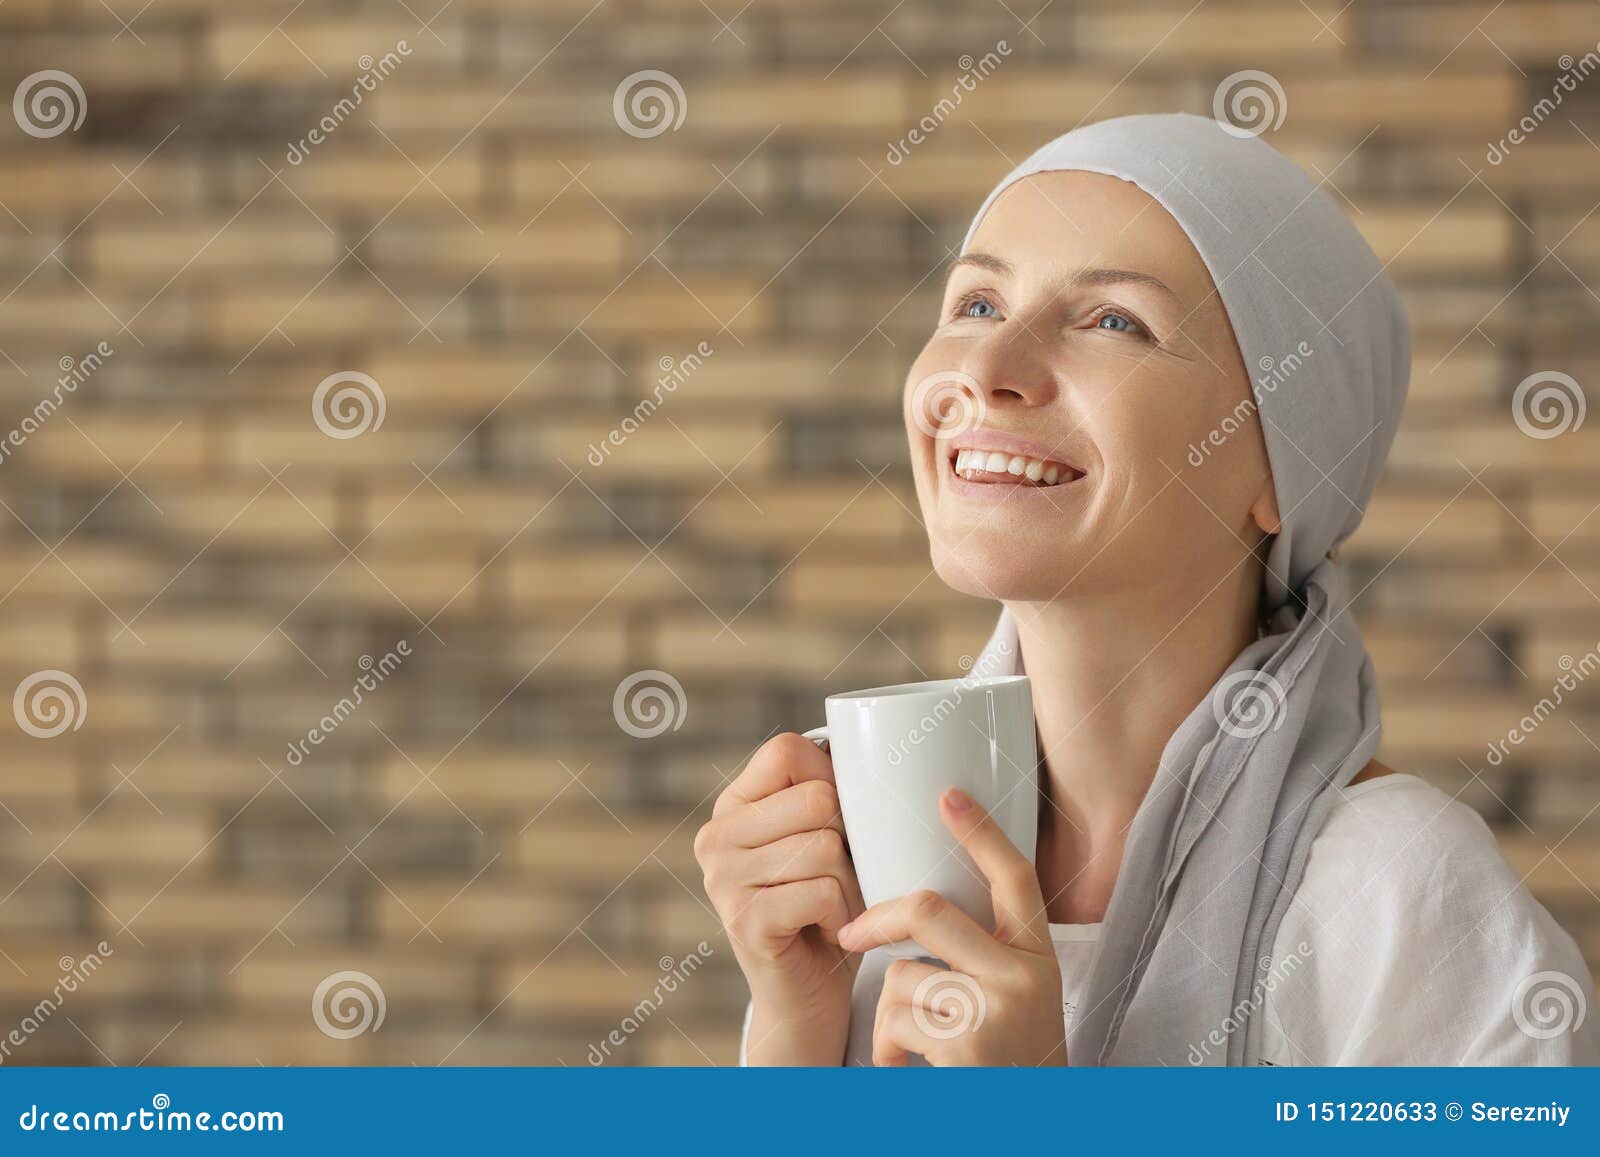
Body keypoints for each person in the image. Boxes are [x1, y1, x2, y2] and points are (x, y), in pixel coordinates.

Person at [694, 113, 1600, 1066]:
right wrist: (796, 1026)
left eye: (1113, 321)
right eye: (976, 304)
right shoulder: (866, 855)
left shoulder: (1404, 896)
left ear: (1284, 471)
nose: (987, 370)